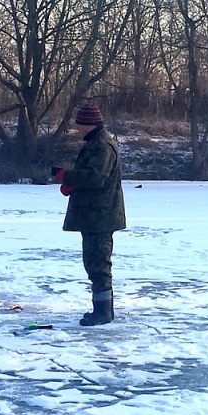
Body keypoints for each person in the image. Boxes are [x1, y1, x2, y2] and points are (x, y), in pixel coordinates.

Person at [53, 104, 126, 326]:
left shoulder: (102, 145)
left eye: (79, 123)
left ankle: (103, 312)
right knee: (95, 262)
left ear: (88, 124)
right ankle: (103, 310)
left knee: (98, 263)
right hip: (96, 215)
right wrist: (71, 182)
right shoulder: (96, 144)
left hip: (100, 216)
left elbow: (95, 178)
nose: (77, 128)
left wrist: (67, 176)